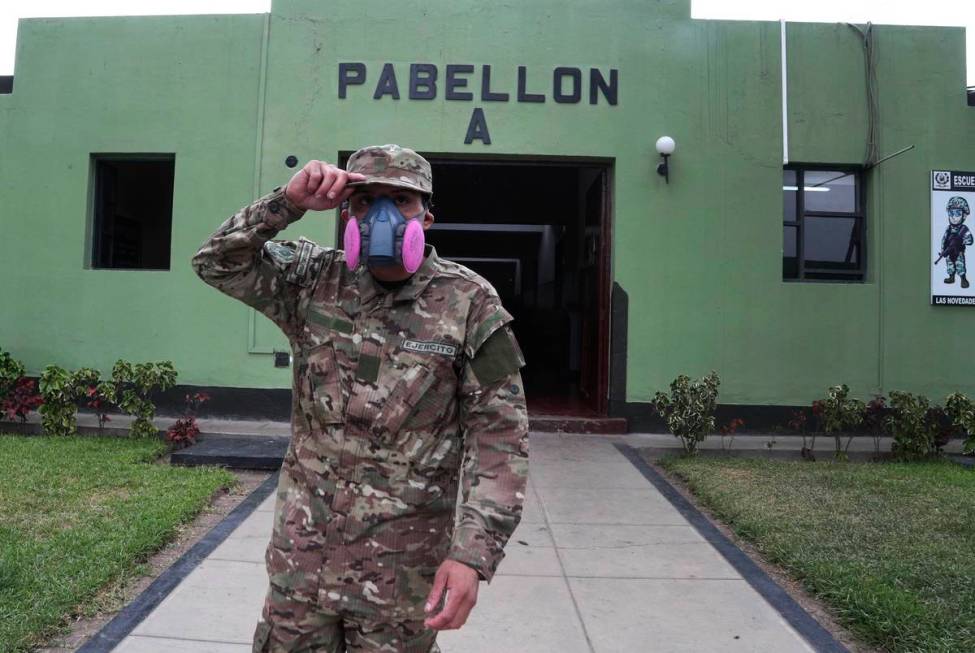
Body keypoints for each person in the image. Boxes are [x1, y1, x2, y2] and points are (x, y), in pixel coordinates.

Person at [191, 144, 529, 653]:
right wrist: (289, 202)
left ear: (427, 217)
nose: (384, 215)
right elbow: (216, 262)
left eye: (402, 201)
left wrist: (471, 556)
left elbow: (500, 439)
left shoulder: (469, 303)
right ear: (348, 212)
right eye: (367, 201)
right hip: (301, 566)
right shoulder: (312, 280)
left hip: (399, 576)